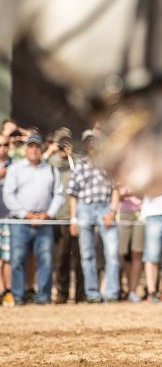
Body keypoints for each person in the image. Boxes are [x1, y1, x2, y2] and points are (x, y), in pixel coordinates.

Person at [2, 134, 64, 305]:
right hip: (20, 221)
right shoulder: (16, 169)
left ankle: (43, 297)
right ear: (26, 149)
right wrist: (24, 214)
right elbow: (8, 194)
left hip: (44, 221)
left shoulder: (50, 169)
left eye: (37, 146)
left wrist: (48, 214)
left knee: (46, 259)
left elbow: (59, 194)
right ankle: (18, 296)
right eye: (31, 146)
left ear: (41, 149)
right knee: (17, 259)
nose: (34, 149)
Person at [67, 130, 120, 303]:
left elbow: (116, 189)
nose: (92, 144)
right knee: (87, 254)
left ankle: (111, 293)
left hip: (105, 207)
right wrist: (73, 218)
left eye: (95, 140)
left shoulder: (109, 162)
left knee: (112, 253)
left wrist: (112, 211)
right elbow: (73, 195)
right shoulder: (79, 164)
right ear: (84, 143)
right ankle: (92, 293)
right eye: (89, 141)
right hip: (84, 208)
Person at [44, 131, 84, 304]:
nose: (64, 146)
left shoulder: (77, 160)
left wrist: (70, 156)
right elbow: (39, 166)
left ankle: (81, 293)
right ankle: (62, 292)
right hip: (59, 217)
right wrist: (50, 151)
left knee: (80, 257)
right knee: (61, 258)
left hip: (77, 216)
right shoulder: (51, 162)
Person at [116, 185, 144, 302]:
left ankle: (133, 291)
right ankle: (125, 288)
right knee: (122, 254)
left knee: (136, 253)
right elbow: (115, 192)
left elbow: (145, 191)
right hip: (122, 213)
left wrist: (129, 193)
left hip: (140, 213)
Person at [0, 133, 14, 305]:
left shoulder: (15, 165)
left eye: (4, 145)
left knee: (8, 257)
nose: (2, 148)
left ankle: (8, 292)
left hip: (10, 217)